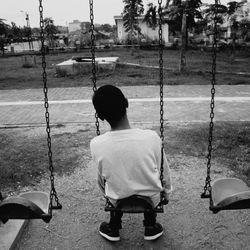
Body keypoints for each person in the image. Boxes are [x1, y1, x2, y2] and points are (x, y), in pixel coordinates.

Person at [90, 85, 172, 242]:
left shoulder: (96, 143)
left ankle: (113, 227)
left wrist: (105, 194)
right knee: (148, 181)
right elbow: (164, 172)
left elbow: (101, 179)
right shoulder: (151, 137)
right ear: (126, 103)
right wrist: (166, 193)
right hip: (151, 200)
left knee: (114, 183)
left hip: (116, 199)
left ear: (100, 115)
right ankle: (150, 226)